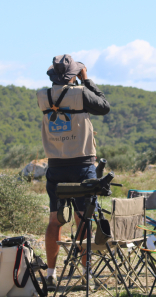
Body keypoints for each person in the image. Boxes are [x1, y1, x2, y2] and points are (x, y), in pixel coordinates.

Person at [36, 54, 110, 289]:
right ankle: (86, 273)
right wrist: (86, 79)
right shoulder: (79, 94)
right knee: (83, 218)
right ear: (72, 74)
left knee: (54, 221)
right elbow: (104, 106)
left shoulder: (42, 96)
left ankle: (50, 273)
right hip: (82, 164)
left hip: (55, 164)